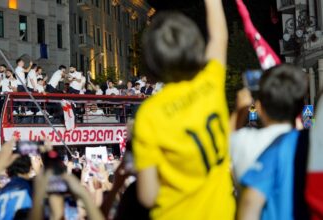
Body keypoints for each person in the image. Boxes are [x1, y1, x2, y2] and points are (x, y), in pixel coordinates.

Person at [132, 0, 232, 219]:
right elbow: (219, 37)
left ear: (151, 61)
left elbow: (148, 196)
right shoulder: (210, 82)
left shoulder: (149, 114)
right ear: (195, 45)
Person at [236, 65, 308, 220]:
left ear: (259, 108)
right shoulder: (310, 142)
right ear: (301, 108)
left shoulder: (278, 146)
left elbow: (250, 203)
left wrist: (240, 111)